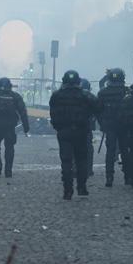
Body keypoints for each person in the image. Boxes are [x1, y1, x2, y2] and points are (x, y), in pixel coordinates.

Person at [49, 70, 101, 199]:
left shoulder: (56, 95)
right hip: (81, 131)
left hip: (64, 131)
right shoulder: (85, 95)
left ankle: (67, 190)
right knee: (81, 160)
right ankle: (81, 188)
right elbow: (99, 107)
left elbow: (53, 113)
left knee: (66, 161)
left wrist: (57, 127)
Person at [0, 77, 29, 178]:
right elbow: (23, 112)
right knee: (9, 148)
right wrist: (26, 126)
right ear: (10, 86)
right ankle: (8, 170)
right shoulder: (15, 96)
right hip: (10, 127)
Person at [97, 68, 129, 187]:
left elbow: (98, 111)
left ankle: (109, 177)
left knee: (110, 152)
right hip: (124, 126)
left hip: (110, 126)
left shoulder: (103, 92)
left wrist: (102, 124)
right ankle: (128, 177)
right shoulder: (126, 92)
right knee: (125, 151)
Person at [80, 78, 96, 177]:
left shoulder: (73, 95)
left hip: (75, 127)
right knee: (89, 149)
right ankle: (88, 170)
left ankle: (75, 169)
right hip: (87, 127)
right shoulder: (91, 97)